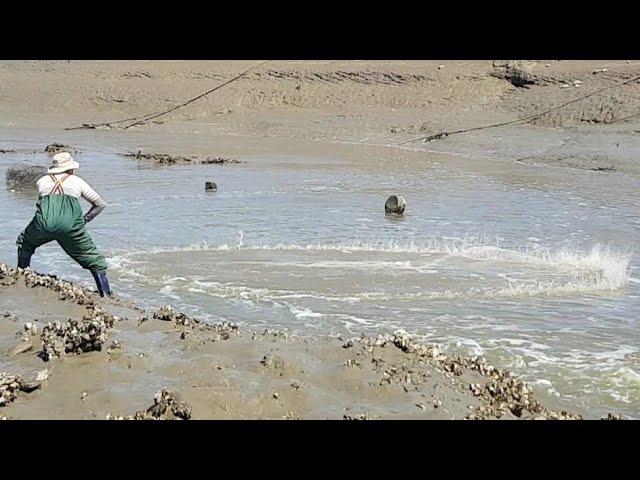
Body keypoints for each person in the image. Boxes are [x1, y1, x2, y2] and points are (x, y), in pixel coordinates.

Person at [16, 152, 112, 297]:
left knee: (24, 242)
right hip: (72, 227)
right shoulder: (77, 181)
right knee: (94, 260)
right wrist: (83, 221)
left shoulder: (41, 181)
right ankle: (105, 294)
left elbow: (45, 204)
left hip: (43, 224)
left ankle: (20, 277)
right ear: (70, 169)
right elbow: (100, 204)